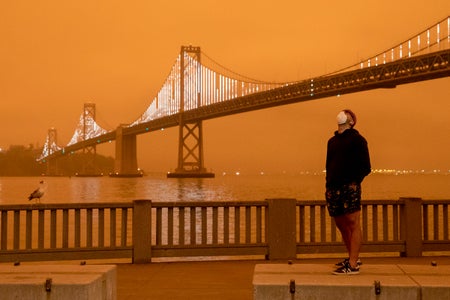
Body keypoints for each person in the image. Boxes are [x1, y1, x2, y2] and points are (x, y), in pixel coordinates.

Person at [325, 109, 371, 275]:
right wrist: (328, 184)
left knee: (353, 222)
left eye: (347, 113)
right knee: (340, 223)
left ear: (351, 121)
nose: (343, 113)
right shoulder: (331, 141)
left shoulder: (358, 140)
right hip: (333, 188)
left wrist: (354, 182)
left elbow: (366, 167)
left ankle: (352, 264)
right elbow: (328, 165)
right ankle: (352, 256)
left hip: (349, 186)